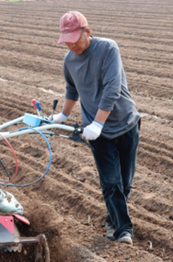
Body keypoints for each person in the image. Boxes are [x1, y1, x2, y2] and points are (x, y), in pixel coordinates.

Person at [53, 11, 141, 245]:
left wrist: (98, 123)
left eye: (75, 38)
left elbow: (112, 89)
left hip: (125, 124)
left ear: (87, 32)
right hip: (97, 132)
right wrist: (63, 114)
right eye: (67, 39)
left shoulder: (108, 49)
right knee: (111, 183)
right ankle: (124, 230)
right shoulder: (69, 61)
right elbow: (72, 89)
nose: (71, 44)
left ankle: (112, 218)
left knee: (125, 182)